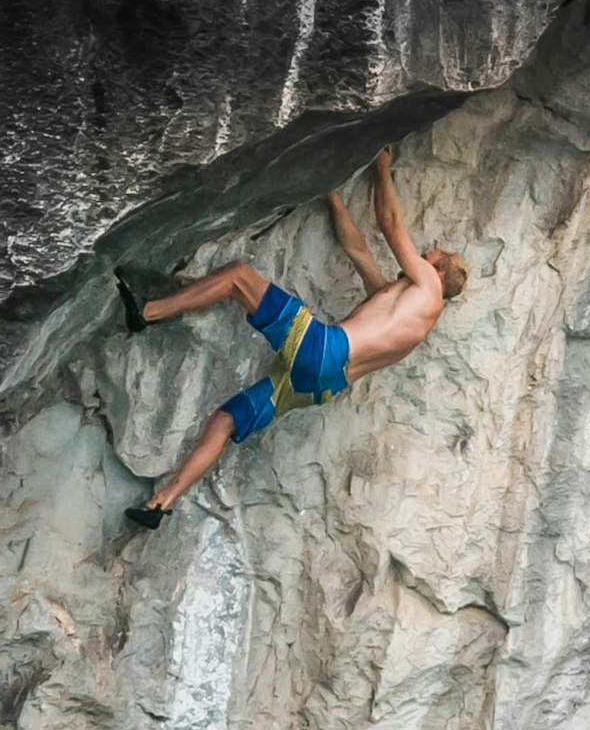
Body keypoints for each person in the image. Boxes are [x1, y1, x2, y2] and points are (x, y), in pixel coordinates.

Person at [120, 147, 472, 529]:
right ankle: (161, 503)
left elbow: (389, 222)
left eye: (427, 256)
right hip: (322, 386)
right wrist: (332, 196)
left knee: (239, 275)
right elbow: (357, 248)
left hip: (325, 352)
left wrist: (381, 166)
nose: (420, 254)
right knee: (225, 421)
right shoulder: (403, 308)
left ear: (436, 270)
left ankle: (147, 312)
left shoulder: (428, 290)